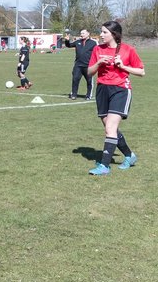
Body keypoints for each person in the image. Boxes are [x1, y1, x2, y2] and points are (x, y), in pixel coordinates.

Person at [86, 20, 145, 175]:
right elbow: (89, 72)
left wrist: (123, 66)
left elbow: (141, 72)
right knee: (111, 129)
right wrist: (98, 63)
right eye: (101, 31)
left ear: (114, 34)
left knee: (110, 128)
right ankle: (129, 156)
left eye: (105, 32)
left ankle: (104, 166)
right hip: (102, 90)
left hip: (120, 90)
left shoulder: (128, 50)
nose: (101, 35)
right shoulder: (97, 49)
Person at [62, 29, 98, 99]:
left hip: (88, 66)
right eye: (81, 33)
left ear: (88, 34)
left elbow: (98, 51)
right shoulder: (77, 42)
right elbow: (69, 45)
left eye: (83, 33)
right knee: (75, 79)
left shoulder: (93, 42)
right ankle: (74, 95)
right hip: (78, 65)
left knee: (89, 81)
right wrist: (67, 40)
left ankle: (88, 95)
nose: (81, 35)